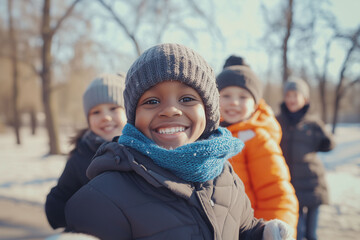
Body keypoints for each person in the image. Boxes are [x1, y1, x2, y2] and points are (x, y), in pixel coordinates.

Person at [64, 43, 293, 240]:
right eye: (152, 101)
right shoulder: (104, 197)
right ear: (133, 117)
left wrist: (261, 233)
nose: (171, 110)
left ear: (210, 112)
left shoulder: (224, 174)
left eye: (187, 98)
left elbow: (241, 228)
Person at [216, 63, 299, 237]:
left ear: (255, 104)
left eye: (243, 96)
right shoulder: (208, 134)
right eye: (226, 95)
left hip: (248, 229)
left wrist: (271, 231)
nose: (234, 102)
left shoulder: (256, 138)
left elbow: (275, 191)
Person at [45, 73, 126, 230]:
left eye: (113, 108)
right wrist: (83, 219)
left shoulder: (142, 149)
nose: (106, 117)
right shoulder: (81, 155)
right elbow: (57, 202)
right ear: (88, 119)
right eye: (96, 112)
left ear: (129, 112)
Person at [276, 77, 336, 240]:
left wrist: (326, 140)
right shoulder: (278, 121)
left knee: (311, 234)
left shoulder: (313, 123)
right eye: (288, 95)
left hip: (312, 182)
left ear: (305, 98)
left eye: (296, 95)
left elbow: (328, 144)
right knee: (298, 232)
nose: (291, 99)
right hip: (291, 182)